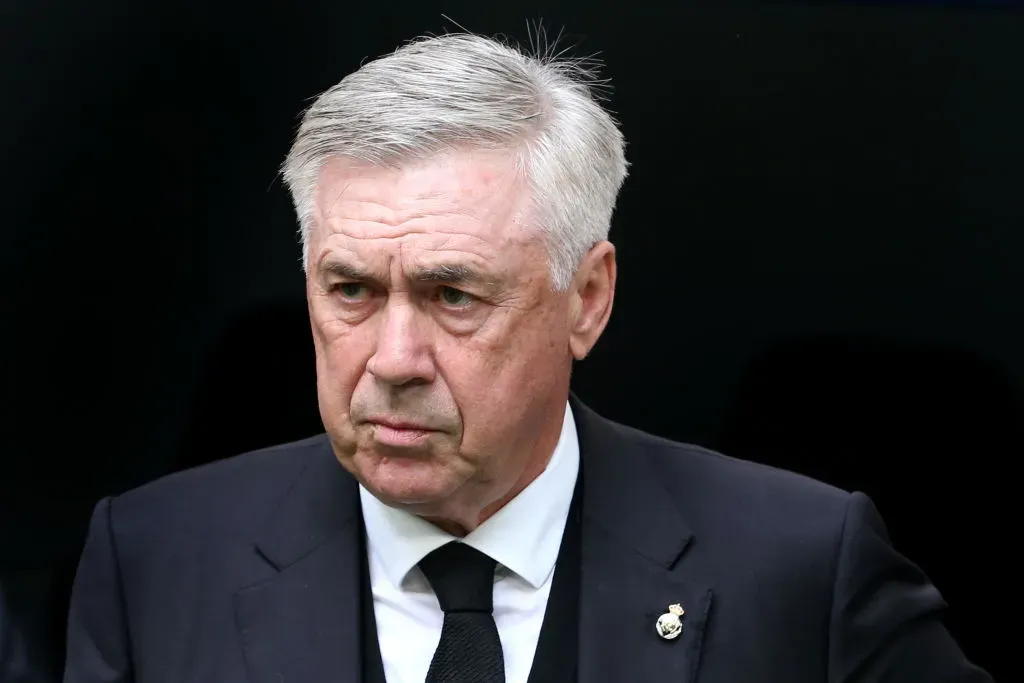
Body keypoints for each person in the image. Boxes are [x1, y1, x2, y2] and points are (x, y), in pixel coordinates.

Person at [63, 32, 992, 683]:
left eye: (453, 295)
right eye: (349, 290)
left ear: (587, 299)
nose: (392, 358)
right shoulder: (153, 562)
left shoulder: (800, 571)